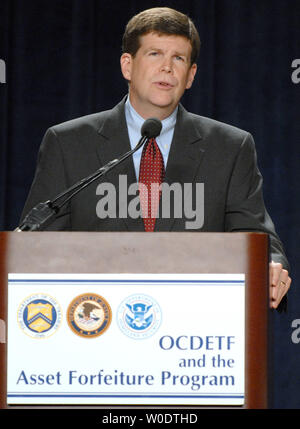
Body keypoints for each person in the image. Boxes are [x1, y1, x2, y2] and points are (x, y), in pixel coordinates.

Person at [20, 7, 291, 310]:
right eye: (154, 54)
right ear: (127, 65)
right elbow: (37, 245)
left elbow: (254, 236)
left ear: (190, 75)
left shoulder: (230, 147)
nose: (167, 68)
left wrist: (269, 264)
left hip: (192, 330)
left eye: (179, 58)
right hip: (94, 325)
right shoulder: (68, 143)